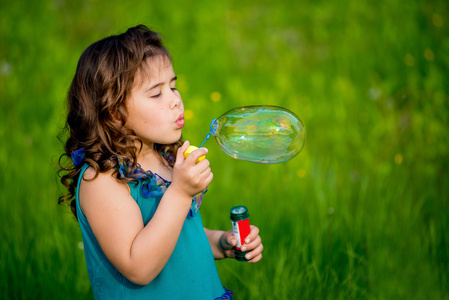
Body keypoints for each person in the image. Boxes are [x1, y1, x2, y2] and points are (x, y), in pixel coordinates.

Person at [58, 25, 263, 299]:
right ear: (114, 113)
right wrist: (179, 193)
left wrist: (221, 243)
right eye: (157, 94)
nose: (176, 100)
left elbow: (180, 236)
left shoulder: (163, 159)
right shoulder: (101, 180)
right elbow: (138, 267)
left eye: (174, 86)